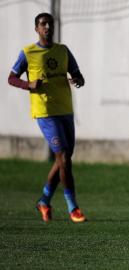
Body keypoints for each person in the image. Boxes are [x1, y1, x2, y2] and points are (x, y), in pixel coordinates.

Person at [8, 13, 86, 223]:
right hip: (45, 112)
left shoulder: (63, 50)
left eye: (50, 24)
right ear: (36, 29)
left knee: (64, 159)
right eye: (43, 24)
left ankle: (44, 200)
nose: (48, 27)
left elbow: (78, 74)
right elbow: (11, 78)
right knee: (62, 157)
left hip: (65, 110)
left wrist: (78, 79)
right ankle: (73, 208)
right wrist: (29, 85)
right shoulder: (28, 53)